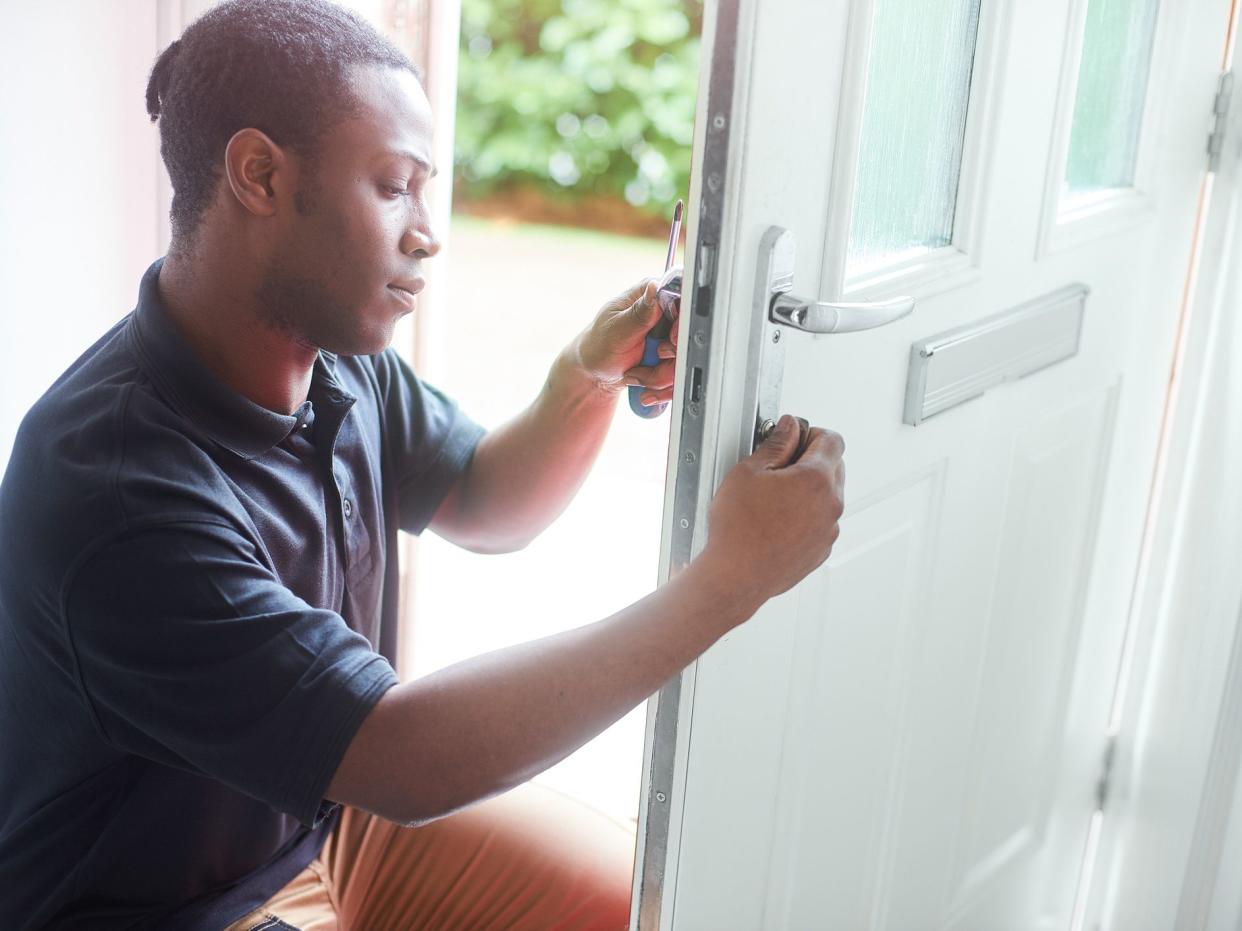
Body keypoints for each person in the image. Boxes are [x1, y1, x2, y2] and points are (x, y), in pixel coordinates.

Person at [0, 1, 845, 928]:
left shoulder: (333, 358)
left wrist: (586, 378)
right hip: (160, 902)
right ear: (259, 175)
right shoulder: (119, 494)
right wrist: (726, 582)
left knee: (643, 902)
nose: (428, 232)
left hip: (320, 818)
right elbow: (403, 757)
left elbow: (487, 500)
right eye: (394, 185)